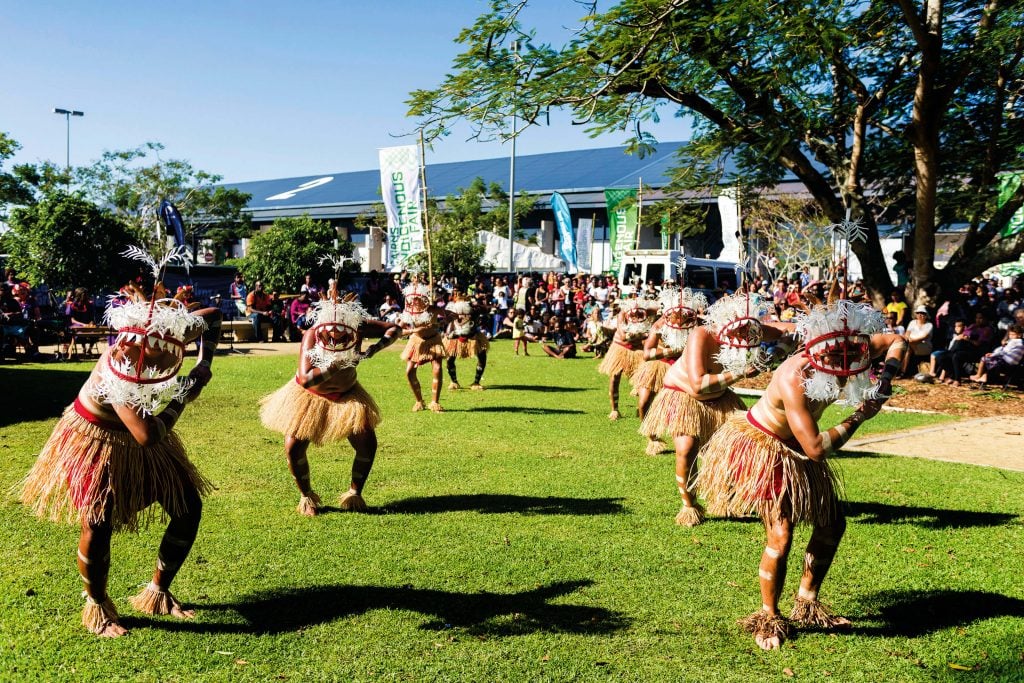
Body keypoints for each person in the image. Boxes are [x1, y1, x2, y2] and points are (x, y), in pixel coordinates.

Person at [20, 248, 222, 637]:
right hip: (96, 437)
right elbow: (147, 436)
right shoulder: (117, 369)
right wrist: (184, 393)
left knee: (187, 505)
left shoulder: (167, 332)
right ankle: (97, 605)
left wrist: (205, 361)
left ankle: (158, 592)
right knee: (98, 522)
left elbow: (209, 319)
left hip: (142, 428)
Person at [696, 301, 906, 650]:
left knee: (832, 522)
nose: (844, 362)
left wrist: (885, 378)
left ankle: (806, 603)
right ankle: (768, 616)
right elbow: (816, 448)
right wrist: (859, 417)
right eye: (835, 354)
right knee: (781, 532)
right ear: (817, 348)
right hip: (765, 446)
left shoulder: (858, 347)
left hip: (799, 444)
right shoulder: (795, 376)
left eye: (851, 352)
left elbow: (900, 342)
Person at [640, 292, 781, 524]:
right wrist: (741, 372)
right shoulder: (701, 334)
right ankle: (689, 505)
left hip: (721, 397)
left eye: (748, 330)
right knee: (686, 449)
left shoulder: (751, 330)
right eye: (739, 330)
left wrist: (779, 350)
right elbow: (698, 383)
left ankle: (729, 498)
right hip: (684, 395)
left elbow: (788, 332)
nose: (743, 335)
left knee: (734, 449)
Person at [260, 286, 400, 515]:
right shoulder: (312, 335)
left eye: (341, 329)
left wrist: (377, 347)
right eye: (331, 329)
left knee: (367, 444)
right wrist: (334, 365)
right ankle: (306, 497)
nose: (335, 334)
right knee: (293, 447)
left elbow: (394, 328)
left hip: (348, 394)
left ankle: (355, 494)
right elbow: (306, 380)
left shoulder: (357, 327)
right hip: (310, 396)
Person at [632, 286, 708, 454]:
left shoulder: (699, 324)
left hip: (685, 367)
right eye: (678, 312)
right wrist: (670, 351)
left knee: (689, 407)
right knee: (644, 401)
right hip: (659, 364)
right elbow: (647, 353)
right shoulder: (660, 324)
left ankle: (698, 442)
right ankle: (651, 438)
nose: (682, 317)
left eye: (686, 313)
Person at [598, 298, 653, 420]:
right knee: (615, 377)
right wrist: (642, 334)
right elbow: (623, 337)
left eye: (639, 313)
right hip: (619, 348)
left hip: (637, 350)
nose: (636, 316)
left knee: (643, 379)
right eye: (634, 313)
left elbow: (650, 332)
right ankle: (614, 409)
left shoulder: (646, 314)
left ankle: (641, 407)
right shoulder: (622, 314)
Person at [398, 279, 449, 412]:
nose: (414, 301)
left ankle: (435, 402)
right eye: (412, 299)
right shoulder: (408, 313)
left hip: (433, 341)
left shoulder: (433, 309)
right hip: (416, 342)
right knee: (409, 371)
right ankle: (419, 401)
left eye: (417, 299)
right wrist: (413, 330)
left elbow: (448, 316)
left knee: (437, 369)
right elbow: (398, 331)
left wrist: (442, 322)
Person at [443, 292, 489, 390]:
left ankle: (476, 382)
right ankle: (454, 382)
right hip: (455, 336)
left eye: (458, 291)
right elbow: (446, 320)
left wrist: (477, 305)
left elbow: (486, 310)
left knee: (482, 357)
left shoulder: (474, 308)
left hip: (473, 337)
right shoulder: (452, 308)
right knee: (450, 359)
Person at [903, 306, 933, 376]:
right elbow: (907, 334)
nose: (920, 315)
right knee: (907, 349)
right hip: (911, 344)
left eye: (922, 313)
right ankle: (903, 371)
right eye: (918, 313)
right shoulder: (912, 322)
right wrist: (909, 340)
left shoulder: (929, 325)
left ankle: (903, 372)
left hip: (924, 346)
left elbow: (924, 337)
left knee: (907, 347)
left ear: (926, 315)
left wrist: (911, 341)